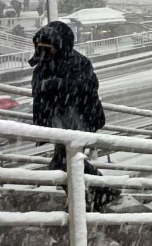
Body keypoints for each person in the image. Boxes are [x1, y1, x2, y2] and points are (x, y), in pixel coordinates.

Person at [30, 21, 118, 212]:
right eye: (40, 46)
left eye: (48, 47)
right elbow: (38, 90)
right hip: (59, 122)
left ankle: (93, 196)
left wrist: (57, 84)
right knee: (68, 161)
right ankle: (94, 194)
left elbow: (88, 86)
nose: (44, 50)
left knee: (64, 162)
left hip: (79, 119)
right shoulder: (43, 63)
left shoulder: (78, 62)